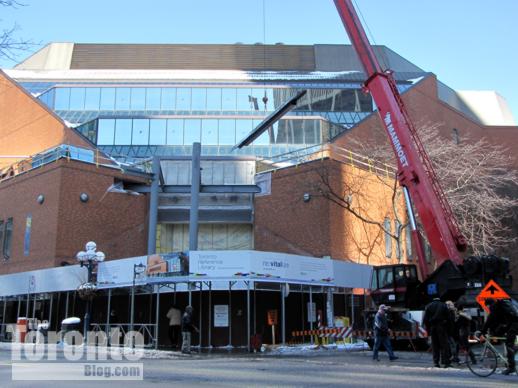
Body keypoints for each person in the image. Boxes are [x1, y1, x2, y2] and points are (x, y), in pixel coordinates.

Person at [481, 298, 518, 375]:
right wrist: (496, 333)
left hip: (515, 323)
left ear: (488, 304)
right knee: (506, 338)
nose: (488, 308)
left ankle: (511, 368)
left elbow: (490, 320)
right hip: (513, 322)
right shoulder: (501, 306)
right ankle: (512, 355)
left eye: (487, 306)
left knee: (509, 344)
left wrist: (483, 331)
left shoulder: (494, 307)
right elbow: (500, 322)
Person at [423, 297, 451, 368]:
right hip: (442, 327)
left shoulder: (429, 306)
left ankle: (436, 362)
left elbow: (425, 320)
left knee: (435, 346)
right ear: (439, 299)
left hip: (433, 328)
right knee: (444, 345)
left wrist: (428, 330)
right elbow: (449, 318)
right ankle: (445, 362)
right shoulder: (444, 305)